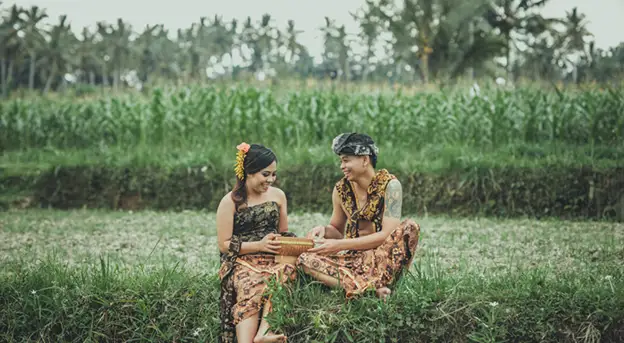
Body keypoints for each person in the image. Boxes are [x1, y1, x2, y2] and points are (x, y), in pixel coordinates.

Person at [296, 133, 421, 300]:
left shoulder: (391, 186)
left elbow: (386, 236)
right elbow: (336, 229)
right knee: (304, 259)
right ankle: (368, 289)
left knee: (410, 227)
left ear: (364, 160)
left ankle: (371, 284)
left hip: (383, 260)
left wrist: (338, 245)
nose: (342, 166)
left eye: (346, 160)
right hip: (353, 260)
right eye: (341, 161)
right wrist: (324, 230)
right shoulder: (341, 190)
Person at [217, 142, 296, 343]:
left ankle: (264, 333)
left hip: (274, 256)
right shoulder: (230, 201)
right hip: (243, 258)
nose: (271, 180)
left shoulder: (278, 196)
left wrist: (291, 243)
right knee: (250, 283)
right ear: (248, 172)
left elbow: (283, 232)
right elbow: (224, 244)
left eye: (274, 174)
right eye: (265, 174)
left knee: (283, 273)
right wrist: (259, 246)